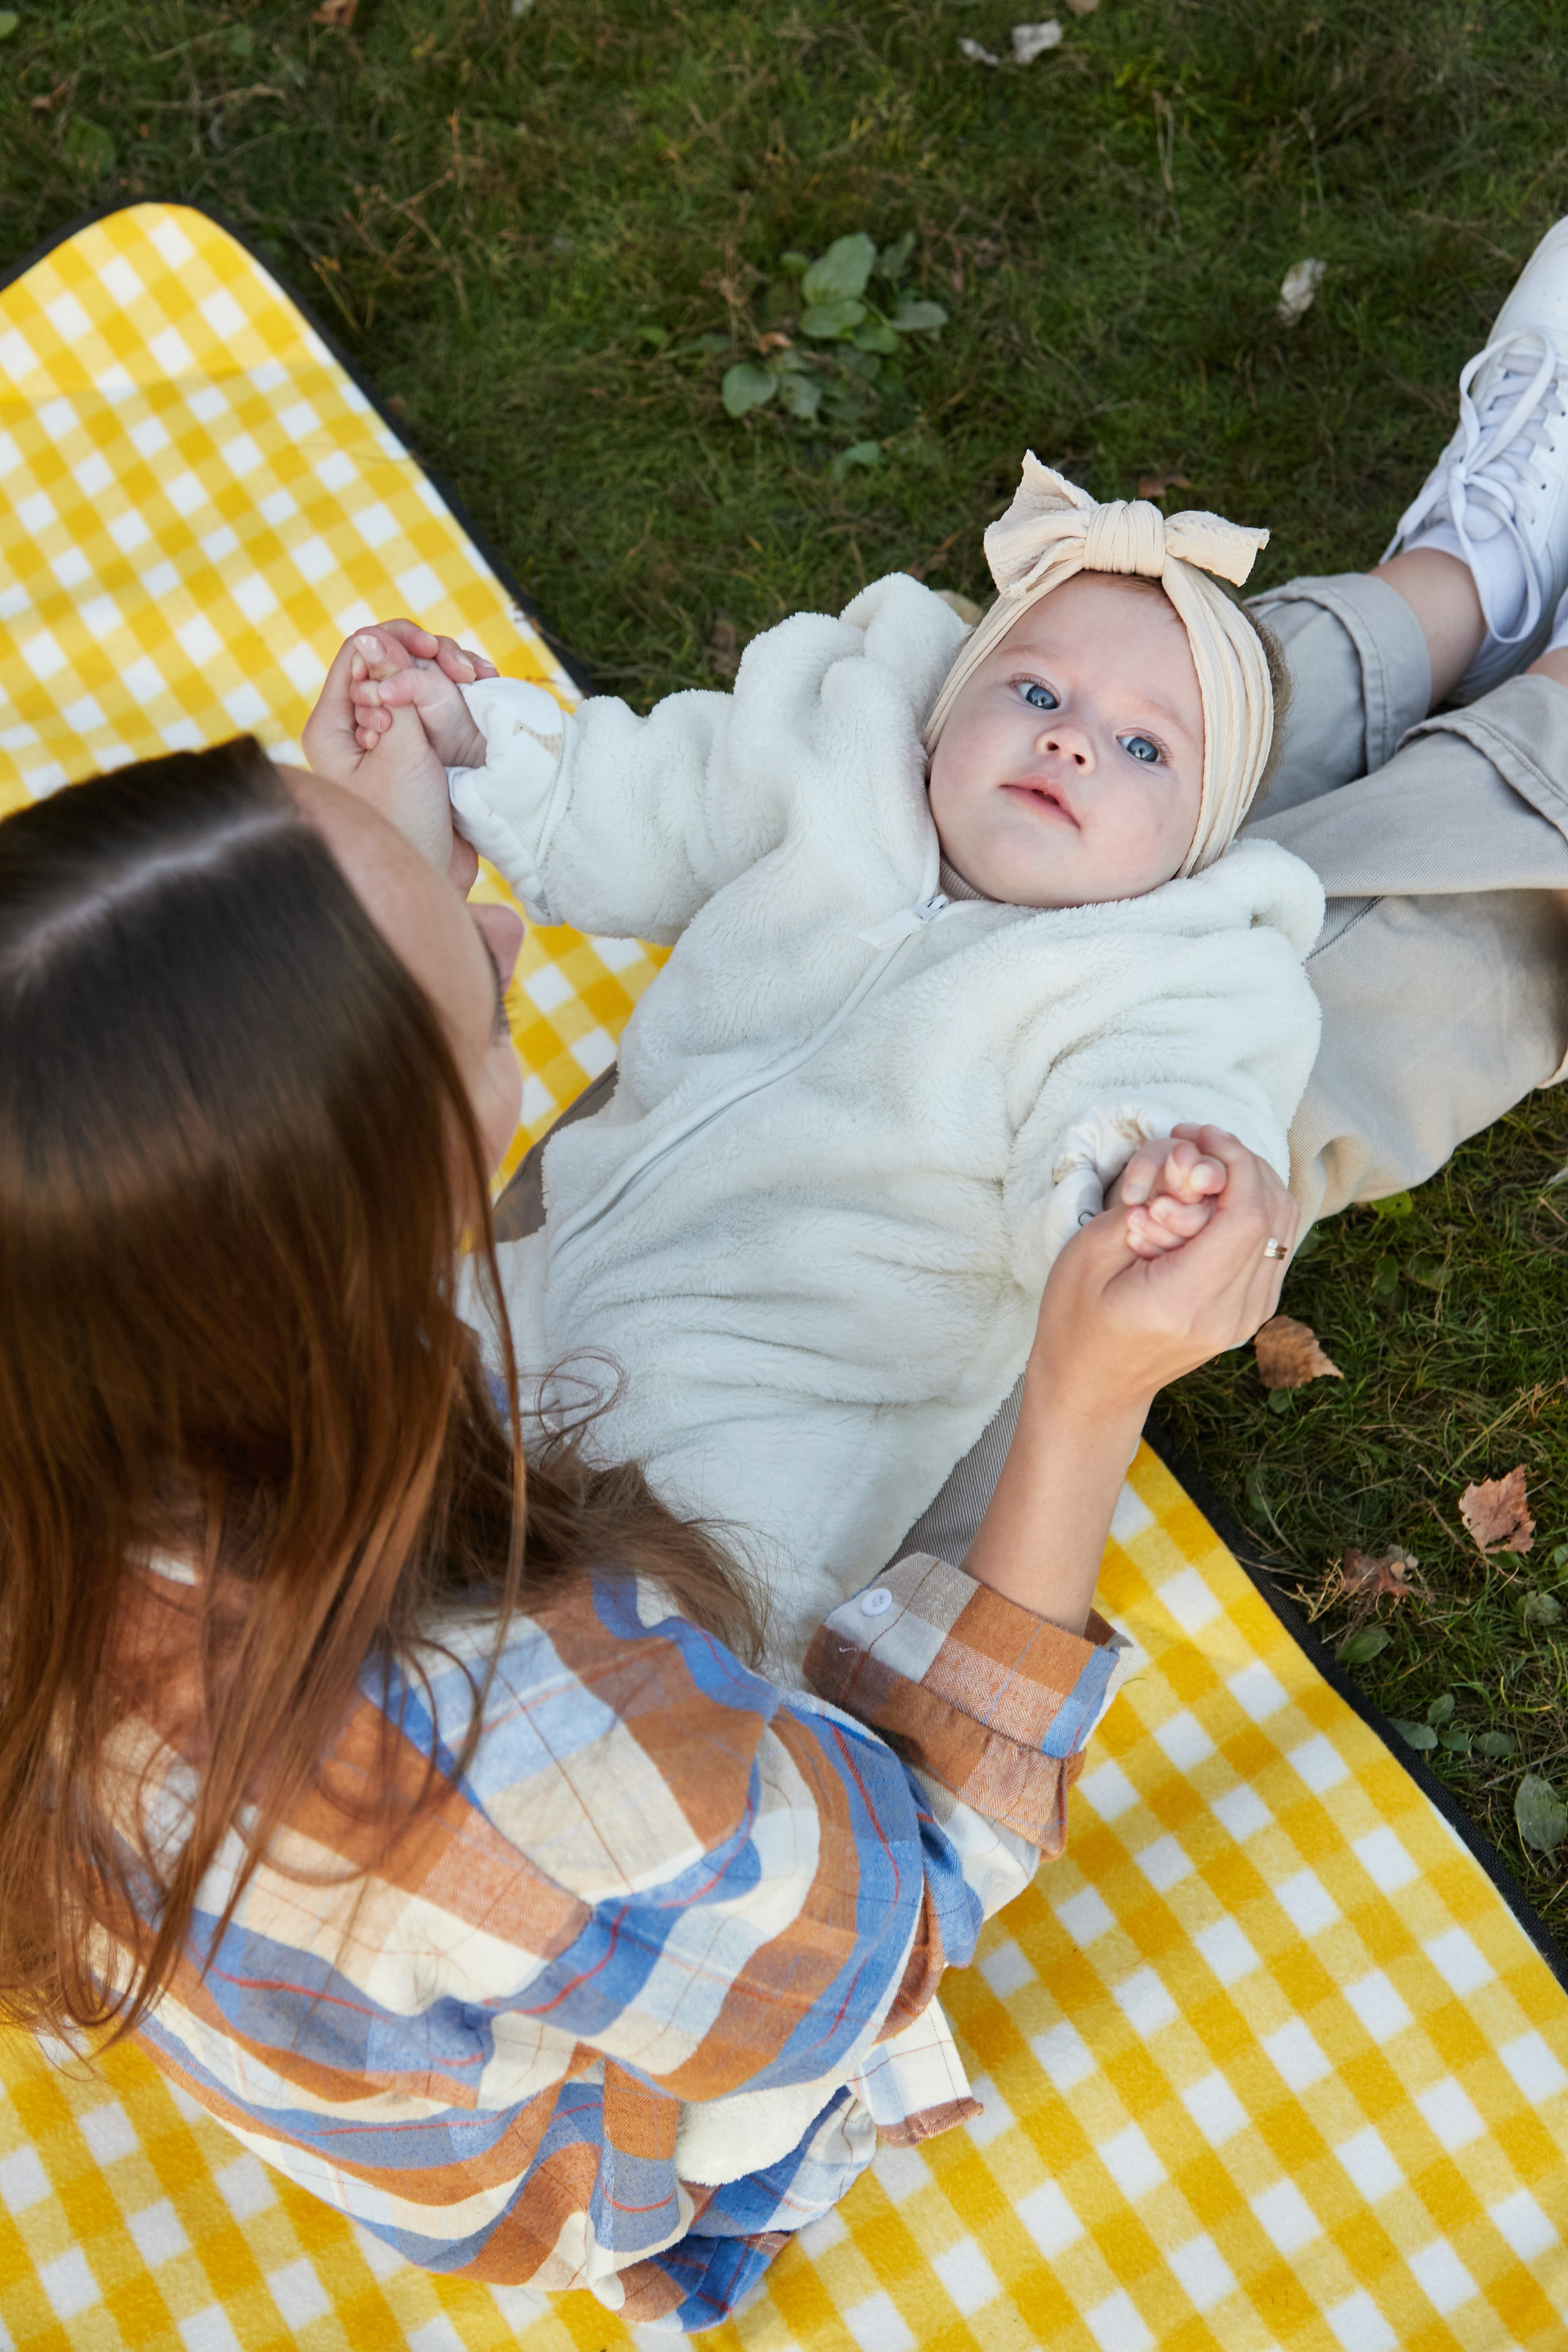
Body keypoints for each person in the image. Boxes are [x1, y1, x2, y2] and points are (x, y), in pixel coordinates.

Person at [0, 735, 1297, 2329]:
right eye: (476, 998)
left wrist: (365, 889)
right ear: (370, 1229)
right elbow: (891, 1921)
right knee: (1273, 1093)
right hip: (666, 2099)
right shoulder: (540, 1781)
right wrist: (1090, 1405)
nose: (503, 936)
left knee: (1167, 774)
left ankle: (1331, 669)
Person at [310, 461, 1325, 1662]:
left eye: (1144, 749)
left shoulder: (1151, 977)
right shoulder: (828, 781)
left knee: (654, 1627)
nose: (1070, 742)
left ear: (1195, 854)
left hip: (783, 1407)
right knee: (372, 1478)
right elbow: (646, 803)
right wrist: (478, 748)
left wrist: (1140, 1186)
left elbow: (1143, 1097)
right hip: (529, 1291)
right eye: (1035, 688)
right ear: (948, 707)